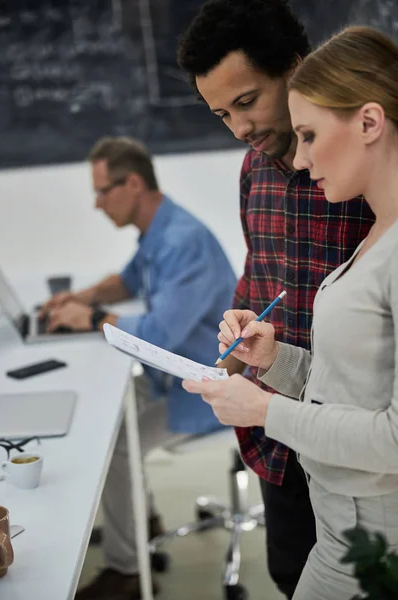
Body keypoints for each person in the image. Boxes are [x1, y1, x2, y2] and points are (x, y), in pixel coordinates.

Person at [183, 25, 398, 600]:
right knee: (287, 570)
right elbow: (262, 281)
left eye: (247, 102)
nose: (242, 129)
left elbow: (386, 425)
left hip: (368, 495)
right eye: (222, 115)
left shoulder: (363, 195)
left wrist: (264, 405)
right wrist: (258, 351)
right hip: (301, 453)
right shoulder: (261, 175)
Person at [40, 136, 236, 600]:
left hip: (207, 386)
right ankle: (140, 518)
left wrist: (87, 319)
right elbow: (127, 279)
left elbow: (158, 335)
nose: (96, 204)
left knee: (118, 446)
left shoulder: (182, 241)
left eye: (102, 191)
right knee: (113, 417)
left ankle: (127, 574)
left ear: (132, 183)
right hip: (172, 374)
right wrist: (83, 297)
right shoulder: (159, 229)